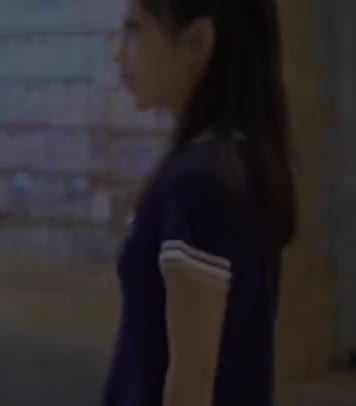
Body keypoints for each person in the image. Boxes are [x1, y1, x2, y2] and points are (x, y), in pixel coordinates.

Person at [104, 0, 297, 405]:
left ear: (196, 41)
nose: (118, 53)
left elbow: (192, 377)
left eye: (136, 30)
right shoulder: (235, 158)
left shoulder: (200, 180)